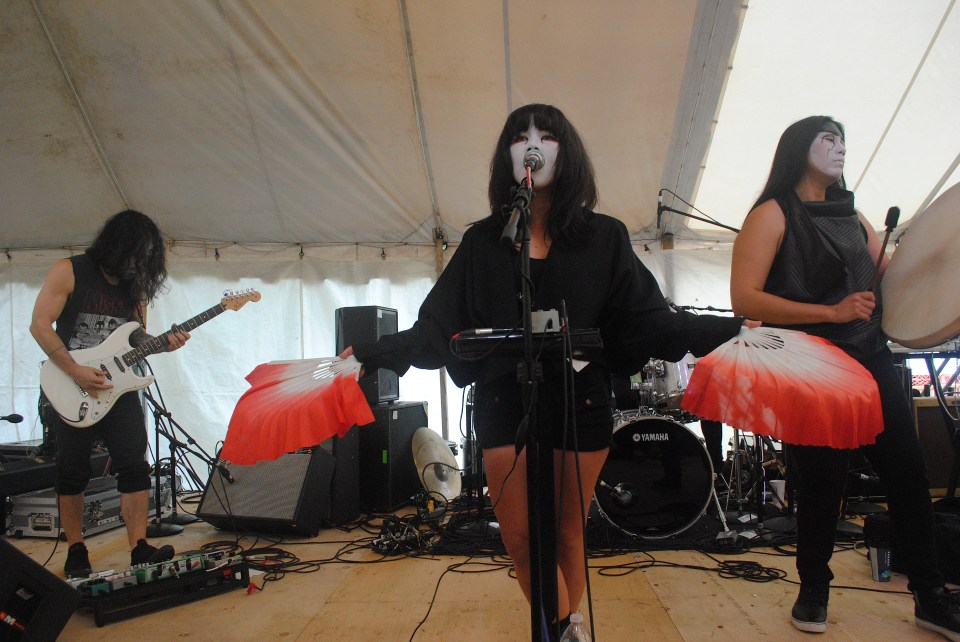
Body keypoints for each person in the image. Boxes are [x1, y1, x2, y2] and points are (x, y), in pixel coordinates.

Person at [339, 104, 748, 637]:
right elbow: (436, 328)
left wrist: (730, 330)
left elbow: (650, 320)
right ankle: (566, 628)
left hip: (581, 399)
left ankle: (566, 628)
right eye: (520, 136)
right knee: (522, 541)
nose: (532, 144)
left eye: (546, 135)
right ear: (507, 155)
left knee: (568, 535)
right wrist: (372, 353)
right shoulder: (484, 241)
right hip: (503, 400)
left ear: (567, 151)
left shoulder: (605, 237)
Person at [730, 115, 960, 639]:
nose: (839, 148)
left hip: (871, 357)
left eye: (843, 140)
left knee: (907, 473)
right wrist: (832, 313)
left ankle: (930, 595)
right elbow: (744, 298)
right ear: (798, 147)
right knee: (820, 483)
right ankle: (813, 591)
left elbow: (887, 275)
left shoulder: (852, 215)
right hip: (815, 364)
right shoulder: (771, 214)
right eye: (827, 139)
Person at [30, 209, 191, 578]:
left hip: (119, 391)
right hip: (71, 387)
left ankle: (139, 547)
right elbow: (39, 325)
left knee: (135, 467)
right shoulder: (69, 270)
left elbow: (137, 338)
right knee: (72, 472)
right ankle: (76, 549)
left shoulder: (134, 286)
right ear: (117, 245)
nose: (141, 263)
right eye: (137, 253)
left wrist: (164, 345)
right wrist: (74, 370)